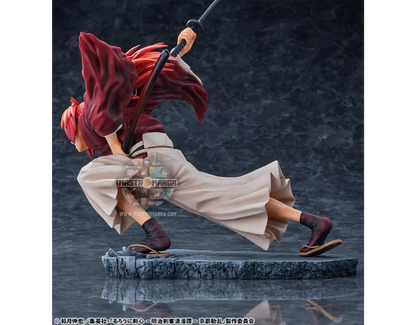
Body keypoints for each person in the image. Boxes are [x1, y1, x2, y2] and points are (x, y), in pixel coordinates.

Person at [61, 28, 342, 257]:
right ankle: (314, 222)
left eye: (72, 136)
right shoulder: (122, 110)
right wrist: (180, 52)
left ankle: (155, 234)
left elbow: (117, 153)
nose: (75, 145)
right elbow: (151, 81)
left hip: (151, 161)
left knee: (90, 175)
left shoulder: (94, 114)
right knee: (225, 199)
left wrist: (123, 171)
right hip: (164, 162)